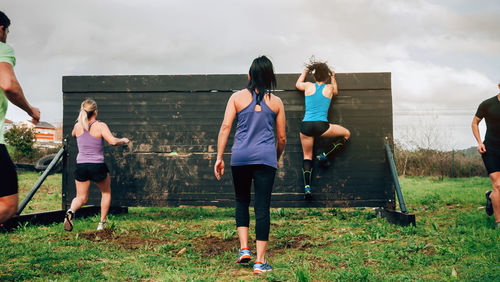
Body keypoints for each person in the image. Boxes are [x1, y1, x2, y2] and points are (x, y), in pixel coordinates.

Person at [214, 56, 286, 274]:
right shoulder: (277, 102)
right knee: (262, 207)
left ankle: (244, 249)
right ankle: (260, 261)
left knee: (241, 201)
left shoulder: (236, 98)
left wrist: (219, 157)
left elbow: (226, 127)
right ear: (269, 77)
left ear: (249, 76)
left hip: (240, 158)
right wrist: (275, 157)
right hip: (266, 159)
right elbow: (281, 138)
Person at [64, 99, 129, 231]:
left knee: (80, 197)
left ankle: (71, 211)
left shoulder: (77, 126)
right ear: (95, 112)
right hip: (97, 166)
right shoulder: (100, 126)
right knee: (105, 193)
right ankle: (101, 224)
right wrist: (123, 140)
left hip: (81, 165)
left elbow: (73, 134)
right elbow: (112, 141)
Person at [0, 11, 40, 223]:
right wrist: (30, 110)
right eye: (7, 31)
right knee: (7, 205)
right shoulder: (1, 48)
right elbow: (8, 85)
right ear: (1, 29)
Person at [295, 58, 350, 200]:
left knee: (307, 156)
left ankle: (307, 188)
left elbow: (297, 84)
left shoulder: (308, 86)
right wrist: (333, 78)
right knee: (346, 134)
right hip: (321, 126)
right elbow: (336, 91)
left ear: (314, 76)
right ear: (326, 76)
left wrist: (305, 71)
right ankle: (325, 155)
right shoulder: (330, 88)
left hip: (306, 125)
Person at [472, 83, 500, 229]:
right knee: (498, 185)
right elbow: (475, 123)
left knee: (498, 189)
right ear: (499, 86)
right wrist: (479, 142)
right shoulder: (488, 104)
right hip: (491, 149)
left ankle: (490, 197)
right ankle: (498, 223)